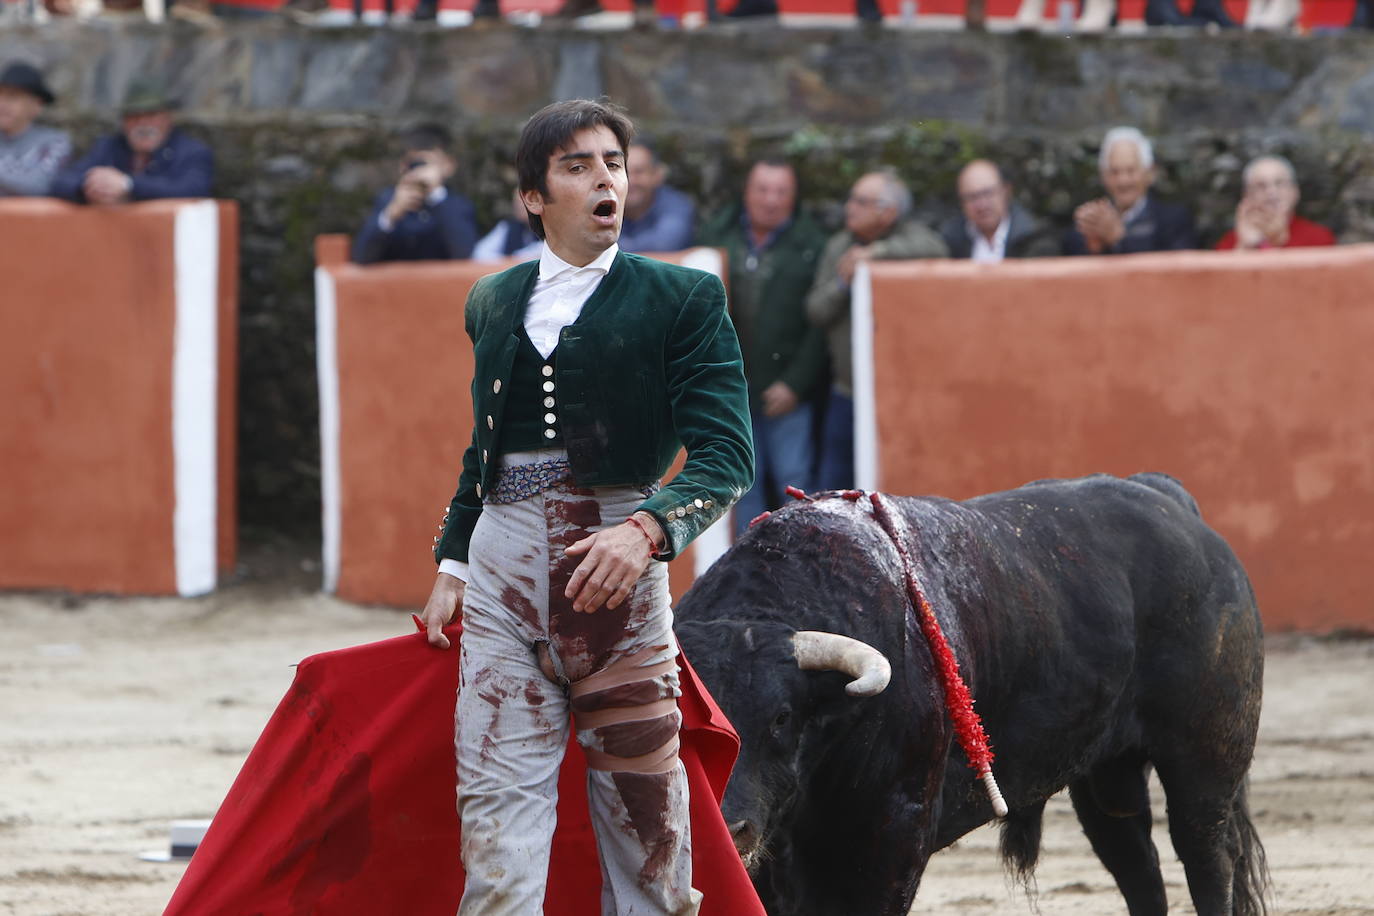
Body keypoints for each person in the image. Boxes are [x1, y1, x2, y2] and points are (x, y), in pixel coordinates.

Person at [420, 99, 752, 915]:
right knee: (496, 820)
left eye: (614, 163)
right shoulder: (492, 302)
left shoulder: (683, 299)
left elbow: (726, 455)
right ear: (532, 197)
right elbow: (483, 448)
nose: (606, 178)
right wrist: (453, 562)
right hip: (500, 578)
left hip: (621, 585)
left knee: (648, 829)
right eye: (578, 166)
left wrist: (645, 530)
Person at [699, 158, 827, 535]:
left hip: (786, 389)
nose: (771, 200)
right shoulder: (716, 236)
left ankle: (806, 561)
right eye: (763, 190)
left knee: (796, 478)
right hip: (732, 388)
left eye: (781, 191)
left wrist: (796, 384)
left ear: (794, 197)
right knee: (740, 483)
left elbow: (819, 327)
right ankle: (747, 566)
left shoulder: (812, 244)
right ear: (746, 193)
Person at [806, 169, 948, 492]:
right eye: (851, 199)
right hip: (846, 390)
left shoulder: (912, 238)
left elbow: (935, 248)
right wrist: (844, 282)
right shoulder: (839, 244)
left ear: (888, 213)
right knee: (832, 488)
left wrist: (875, 256)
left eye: (861, 201)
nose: (850, 208)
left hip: (900, 394)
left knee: (897, 489)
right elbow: (816, 310)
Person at [50, 77, 213, 205]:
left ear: (168, 118)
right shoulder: (108, 146)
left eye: (151, 116)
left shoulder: (192, 152)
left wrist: (128, 185)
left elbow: (194, 190)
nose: (142, 124)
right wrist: (92, 188)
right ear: (124, 122)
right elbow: (62, 182)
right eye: (134, 117)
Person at [351, 123, 478, 265]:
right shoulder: (387, 200)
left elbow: (464, 254)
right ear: (403, 166)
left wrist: (435, 195)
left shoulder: (458, 205)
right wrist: (390, 215)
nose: (419, 169)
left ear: (448, 166)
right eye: (414, 163)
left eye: (427, 163)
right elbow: (362, 257)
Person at [1064, 126, 1197, 256]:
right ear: (1103, 177)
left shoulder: (1174, 221)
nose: (1123, 181)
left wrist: (1119, 240)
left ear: (1149, 173)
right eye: (1114, 172)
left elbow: (1176, 269)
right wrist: (1095, 247)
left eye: (1131, 171)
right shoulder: (1087, 226)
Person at [939, 159, 1060, 261]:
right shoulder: (948, 241)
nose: (982, 205)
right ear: (961, 202)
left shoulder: (1035, 238)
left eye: (988, 193)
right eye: (972, 197)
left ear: (1006, 191)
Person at [1216, 154, 1335, 251]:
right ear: (1247, 195)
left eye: (1280, 183)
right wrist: (1246, 246)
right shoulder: (1230, 241)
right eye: (1261, 186)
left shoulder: (1318, 237)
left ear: (1295, 192)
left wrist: (1278, 243)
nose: (1271, 192)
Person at [0, 61, 70, 197]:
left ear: (37, 106)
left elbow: (41, 186)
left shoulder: (54, 142)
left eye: (12, 97)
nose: (2, 104)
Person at [617, 137, 695, 254]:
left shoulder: (677, 206)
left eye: (639, 172)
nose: (630, 181)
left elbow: (663, 246)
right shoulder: (604, 204)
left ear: (658, 175)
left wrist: (611, 251)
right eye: (624, 172)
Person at [471, 187, 543, 262]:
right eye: (515, 202)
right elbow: (480, 253)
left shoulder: (547, 227)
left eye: (521, 201)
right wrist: (509, 260)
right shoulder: (507, 227)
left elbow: (541, 251)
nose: (517, 206)